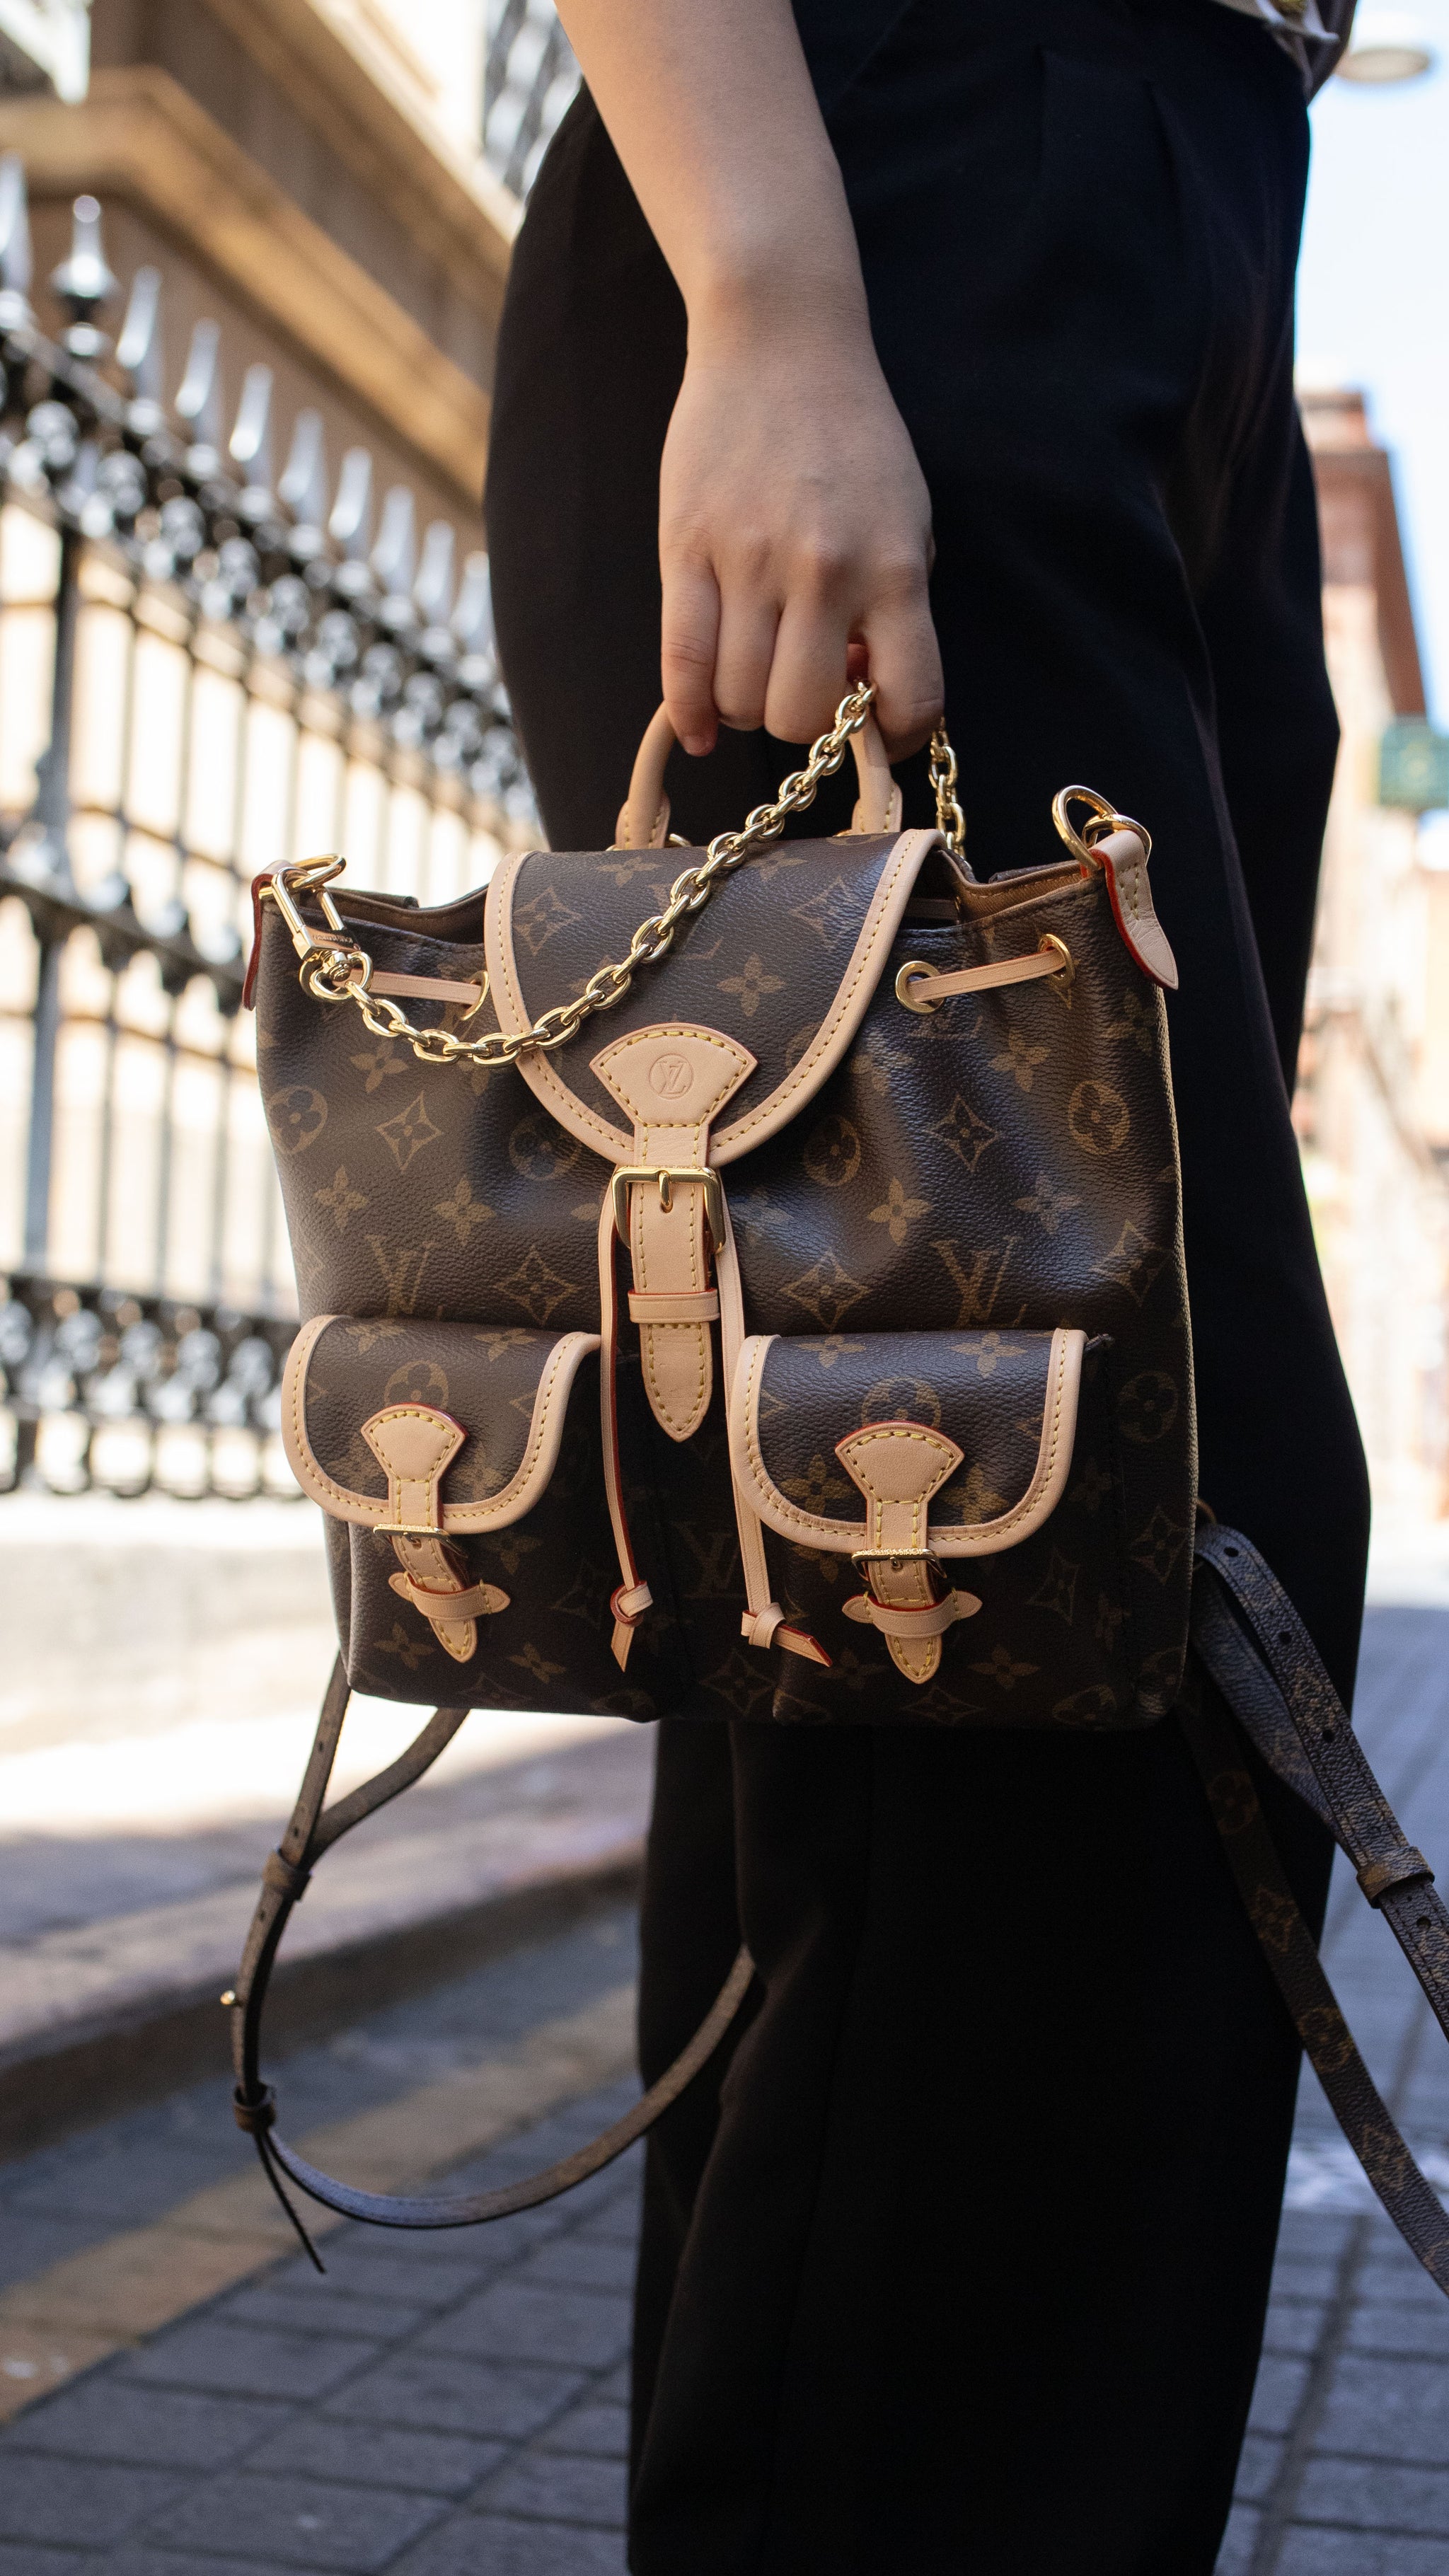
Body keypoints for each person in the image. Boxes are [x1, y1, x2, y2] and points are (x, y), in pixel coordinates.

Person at [483, 3, 1370, 2566]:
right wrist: (772, 291)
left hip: (1167, 223)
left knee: (901, 1617)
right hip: (903, 180)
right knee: (1070, 1592)